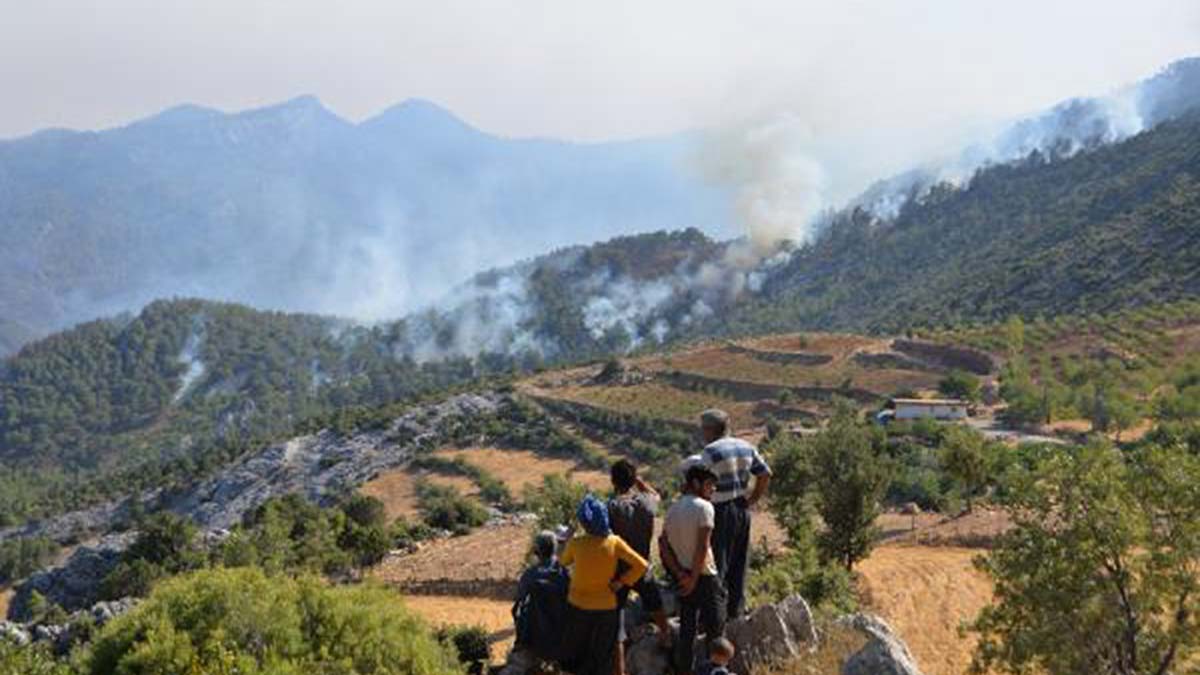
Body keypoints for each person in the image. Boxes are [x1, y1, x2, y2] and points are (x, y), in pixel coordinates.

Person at [559, 495, 649, 675]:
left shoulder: (576, 544)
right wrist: (621, 582)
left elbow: (562, 562)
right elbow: (642, 565)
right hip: (606, 607)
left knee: (579, 653)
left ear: (584, 523)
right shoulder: (614, 542)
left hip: (578, 606)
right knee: (601, 657)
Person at [699, 408, 771, 619]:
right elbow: (765, 473)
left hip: (718, 511)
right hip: (741, 508)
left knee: (717, 564)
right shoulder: (746, 447)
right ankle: (735, 614)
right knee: (739, 563)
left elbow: (699, 484)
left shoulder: (710, 452)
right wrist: (752, 500)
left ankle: (714, 618)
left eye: (703, 429)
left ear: (710, 429)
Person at [660, 460, 726, 675]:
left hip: (683, 577)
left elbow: (663, 546)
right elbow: (703, 545)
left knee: (687, 632)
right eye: (709, 485)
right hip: (704, 577)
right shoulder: (705, 507)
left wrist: (681, 575)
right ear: (696, 483)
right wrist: (695, 578)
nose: (713, 490)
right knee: (715, 631)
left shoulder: (672, 510)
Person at [607, 459, 670, 675]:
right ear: (633, 480)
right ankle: (668, 645)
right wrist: (640, 482)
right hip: (643, 567)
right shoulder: (646, 502)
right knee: (657, 609)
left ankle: (619, 670)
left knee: (615, 625)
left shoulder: (612, 507)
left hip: (618, 572)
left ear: (613, 481)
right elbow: (656, 495)